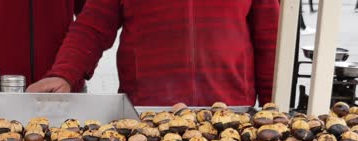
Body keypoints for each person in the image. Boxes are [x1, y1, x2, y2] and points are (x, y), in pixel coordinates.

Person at [26, 0, 280, 107]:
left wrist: (274, 107)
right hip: (148, 119)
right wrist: (64, 74)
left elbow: (271, 40)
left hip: (230, 118)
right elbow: (93, 25)